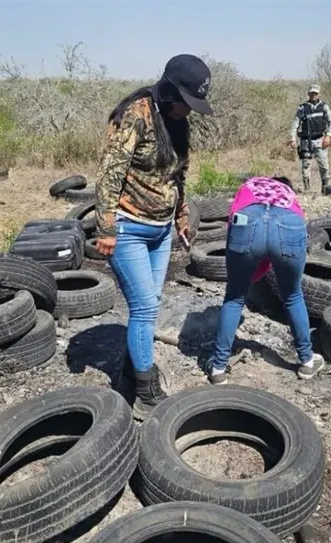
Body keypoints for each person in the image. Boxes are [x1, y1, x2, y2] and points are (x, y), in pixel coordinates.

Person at [93, 54, 213, 420]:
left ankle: (130, 374)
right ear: (168, 91)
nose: (187, 111)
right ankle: (145, 392)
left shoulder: (179, 124)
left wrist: (181, 216)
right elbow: (110, 172)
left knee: (151, 302)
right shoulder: (137, 114)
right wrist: (105, 226)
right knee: (144, 307)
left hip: (161, 230)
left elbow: (177, 176)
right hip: (128, 226)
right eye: (185, 103)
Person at [205, 175, 330, 385]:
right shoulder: (289, 194)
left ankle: (218, 367)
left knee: (235, 297)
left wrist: (247, 275)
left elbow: (232, 223)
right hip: (289, 222)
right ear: (285, 185)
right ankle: (307, 361)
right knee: (292, 295)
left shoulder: (249, 186)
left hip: (247, 220)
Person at [288, 85, 331, 193]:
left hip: (320, 140)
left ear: (319, 94)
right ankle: (307, 190)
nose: (313, 95)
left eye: (315, 93)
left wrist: (328, 136)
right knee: (305, 165)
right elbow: (295, 124)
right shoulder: (302, 108)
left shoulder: (324, 107)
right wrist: (293, 138)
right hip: (306, 141)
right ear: (308, 94)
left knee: (324, 166)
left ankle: (325, 190)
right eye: (311, 93)